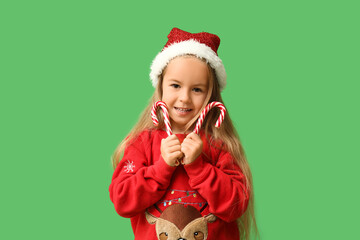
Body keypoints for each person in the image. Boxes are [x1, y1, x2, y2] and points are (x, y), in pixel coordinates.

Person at [109, 27, 258, 240]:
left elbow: (236, 204)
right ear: (161, 87)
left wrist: (200, 168)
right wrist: (161, 168)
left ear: (211, 95)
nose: (185, 98)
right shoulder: (142, 144)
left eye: (197, 89)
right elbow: (122, 200)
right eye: (176, 85)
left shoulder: (219, 145)